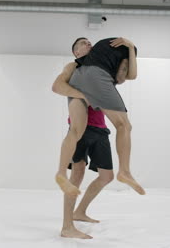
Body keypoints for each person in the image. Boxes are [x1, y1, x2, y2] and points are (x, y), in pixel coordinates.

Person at [54, 37, 145, 197]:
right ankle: (124, 171)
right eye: (83, 43)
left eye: (89, 42)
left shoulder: (104, 64)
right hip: (85, 124)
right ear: (76, 52)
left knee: (104, 174)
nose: (88, 43)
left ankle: (63, 178)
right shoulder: (74, 66)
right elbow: (57, 86)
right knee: (121, 126)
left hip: (99, 128)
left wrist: (130, 49)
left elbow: (127, 76)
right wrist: (84, 95)